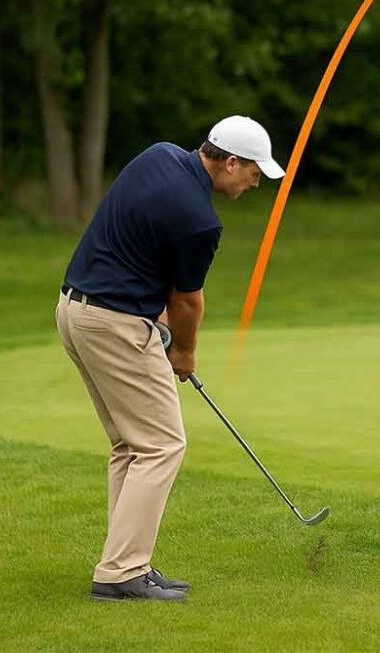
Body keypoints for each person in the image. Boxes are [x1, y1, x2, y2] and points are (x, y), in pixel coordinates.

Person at [55, 116, 284, 601]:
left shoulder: (158, 154)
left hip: (74, 311)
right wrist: (184, 352)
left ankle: (126, 562)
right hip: (114, 324)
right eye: (253, 172)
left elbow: (140, 244)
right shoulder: (202, 221)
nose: (256, 181)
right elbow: (187, 301)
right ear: (229, 162)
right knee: (162, 445)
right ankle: (120, 574)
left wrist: (157, 319)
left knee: (131, 445)